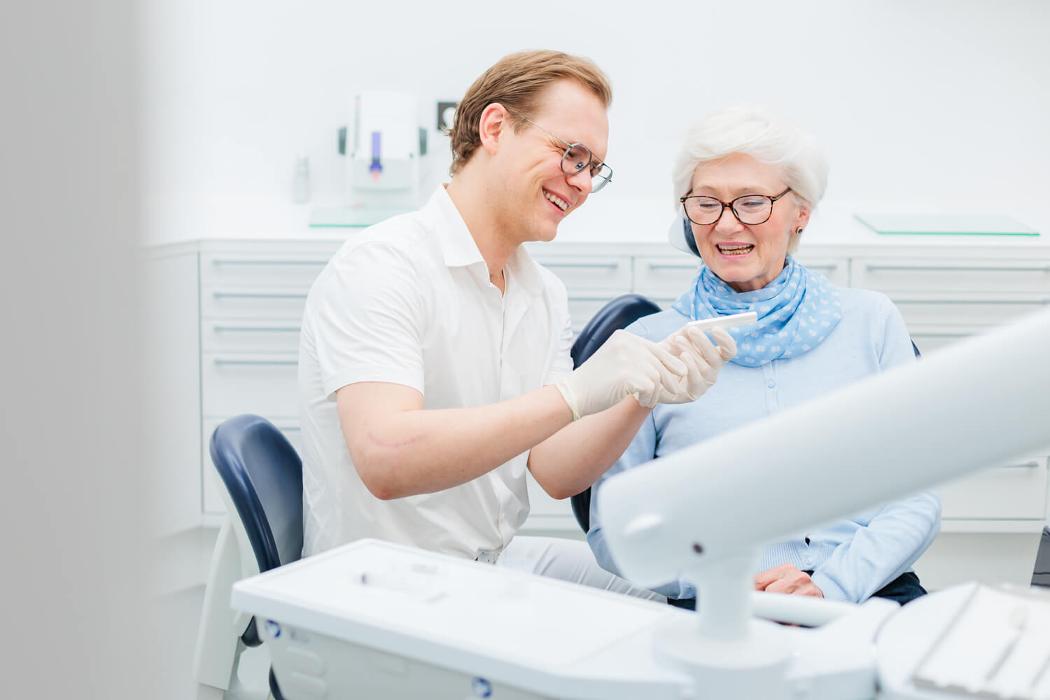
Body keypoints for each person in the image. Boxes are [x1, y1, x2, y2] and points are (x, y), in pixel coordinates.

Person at [296, 50, 736, 599]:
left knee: (675, 599)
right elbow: (387, 458)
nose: (579, 182)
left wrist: (644, 391)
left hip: (487, 563)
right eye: (570, 154)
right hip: (380, 590)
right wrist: (574, 392)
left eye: (592, 168)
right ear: (496, 126)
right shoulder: (383, 265)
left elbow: (553, 471)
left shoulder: (540, 293)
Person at [588, 106, 941, 606]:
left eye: (753, 203)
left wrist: (830, 586)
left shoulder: (870, 322)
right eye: (706, 203)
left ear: (802, 213)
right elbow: (613, 532)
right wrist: (722, 583)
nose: (727, 225)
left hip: (864, 593)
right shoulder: (650, 345)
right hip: (713, 602)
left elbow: (917, 495)